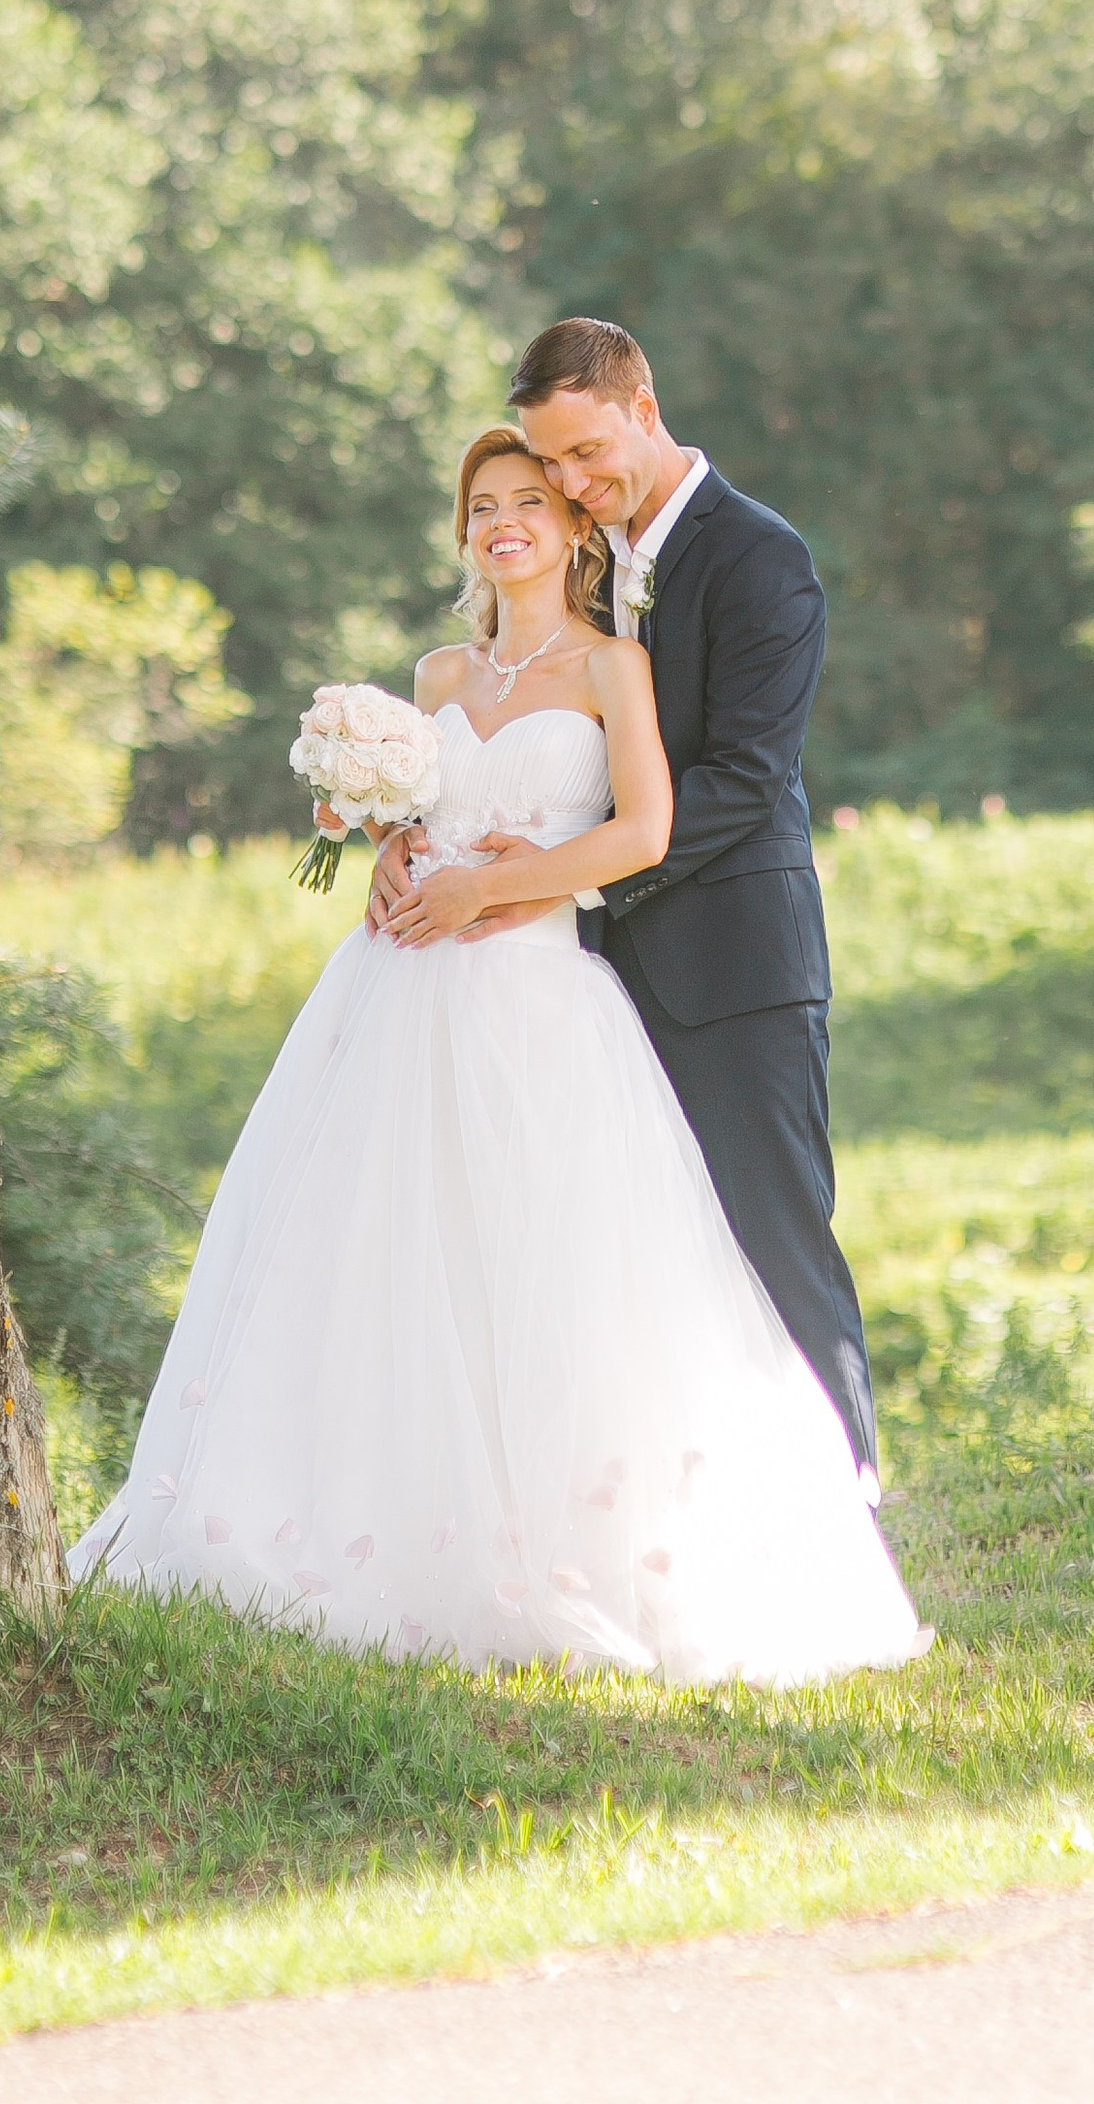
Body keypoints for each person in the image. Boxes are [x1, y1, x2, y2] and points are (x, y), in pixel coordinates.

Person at [68, 427, 922, 1684]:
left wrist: (508, 894)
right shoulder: (432, 677)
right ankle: (364, 1516)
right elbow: (420, 818)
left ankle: (568, 1540)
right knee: (380, 1249)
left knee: (548, 1256)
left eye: (530, 500)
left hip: (531, 990)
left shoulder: (613, 669)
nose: (504, 523)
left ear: (576, 530)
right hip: (396, 994)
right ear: (463, 531)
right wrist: (392, 857)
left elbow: (645, 828)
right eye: (483, 507)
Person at [377, 318, 877, 1489]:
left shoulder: (760, 560)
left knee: (773, 1233)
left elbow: (748, 781)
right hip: (577, 973)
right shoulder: (584, 555)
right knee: (635, 1250)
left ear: (644, 408)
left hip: (732, 969)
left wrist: (555, 868)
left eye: (592, 456)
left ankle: (846, 1493)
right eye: (552, 470)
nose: (574, 486)